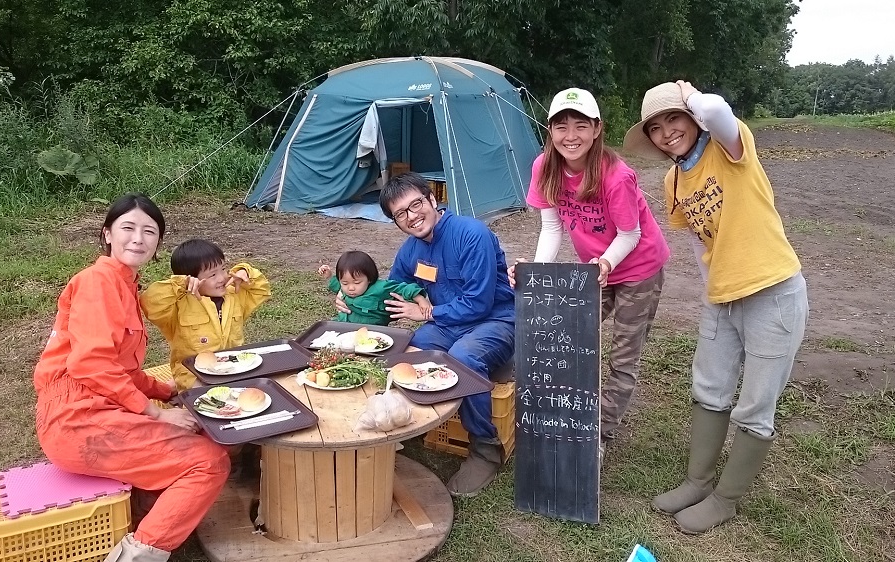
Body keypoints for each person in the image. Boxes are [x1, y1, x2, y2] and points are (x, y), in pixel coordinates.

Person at [623, 81, 809, 534]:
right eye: (655, 128)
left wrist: (691, 96)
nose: (667, 132)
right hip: (722, 298)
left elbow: (719, 111)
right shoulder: (673, 180)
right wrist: (712, 289)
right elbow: (698, 239)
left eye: (674, 119)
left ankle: (726, 500)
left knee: (755, 406)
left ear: (693, 119)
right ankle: (698, 481)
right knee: (709, 388)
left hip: (773, 291)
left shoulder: (730, 147)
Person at [33, 194, 230, 562]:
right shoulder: (98, 282)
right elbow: (91, 365)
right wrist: (155, 412)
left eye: (149, 232)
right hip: (78, 420)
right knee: (208, 460)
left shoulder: (124, 284)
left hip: (93, 407)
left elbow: (121, 369)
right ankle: (138, 555)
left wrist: (166, 392)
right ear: (107, 234)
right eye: (128, 228)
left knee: (204, 428)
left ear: (158, 243)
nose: (138, 239)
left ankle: (147, 509)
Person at [509, 88, 670, 454]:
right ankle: (566, 413)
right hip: (595, 270)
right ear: (550, 130)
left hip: (638, 267)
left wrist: (606, 262)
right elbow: (552, 227)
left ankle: (598, 436)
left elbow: (630, 234)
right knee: (567, 336)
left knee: (623, 356)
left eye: (581, 126)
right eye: (561, 126)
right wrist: (535, 274)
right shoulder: (543, 166)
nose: (571, 136)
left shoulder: (616, 175)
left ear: (597, 129)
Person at [339, 172, 516, 497]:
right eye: (400, 214)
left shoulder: (471, 234)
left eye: (415, 205)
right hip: (448, 324)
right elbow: (391, 294)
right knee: (413, 350)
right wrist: (351, 300)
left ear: (433, 199)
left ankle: (485, 447)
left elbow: (479, 302)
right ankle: (413, 422)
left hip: (496, 319)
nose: (411, 216)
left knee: (463, 358)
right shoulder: (410, 251)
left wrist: (429, 313)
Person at [140, 238, 271, 391]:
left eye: (223, 269)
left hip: (233, 368)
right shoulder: (178, 305)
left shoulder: (234, 295)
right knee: (206, 394)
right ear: (192, 279)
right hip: (192, 374)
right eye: (212, 275)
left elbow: (261, 290)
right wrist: (181, 284)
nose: (222, 278)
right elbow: (150, 302)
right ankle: (178, 387)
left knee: (262, 386)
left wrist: (245, 272)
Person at [317, 250, 429, 326]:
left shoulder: (381, 287)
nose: (350, 288)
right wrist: (329, 276)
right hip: (343, 324)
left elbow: (404, 289)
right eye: (345, 283)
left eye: (357, 282)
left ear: (369, 278)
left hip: (372, 331)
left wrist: (420, 300)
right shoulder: (345, 287)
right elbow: (337, 285)